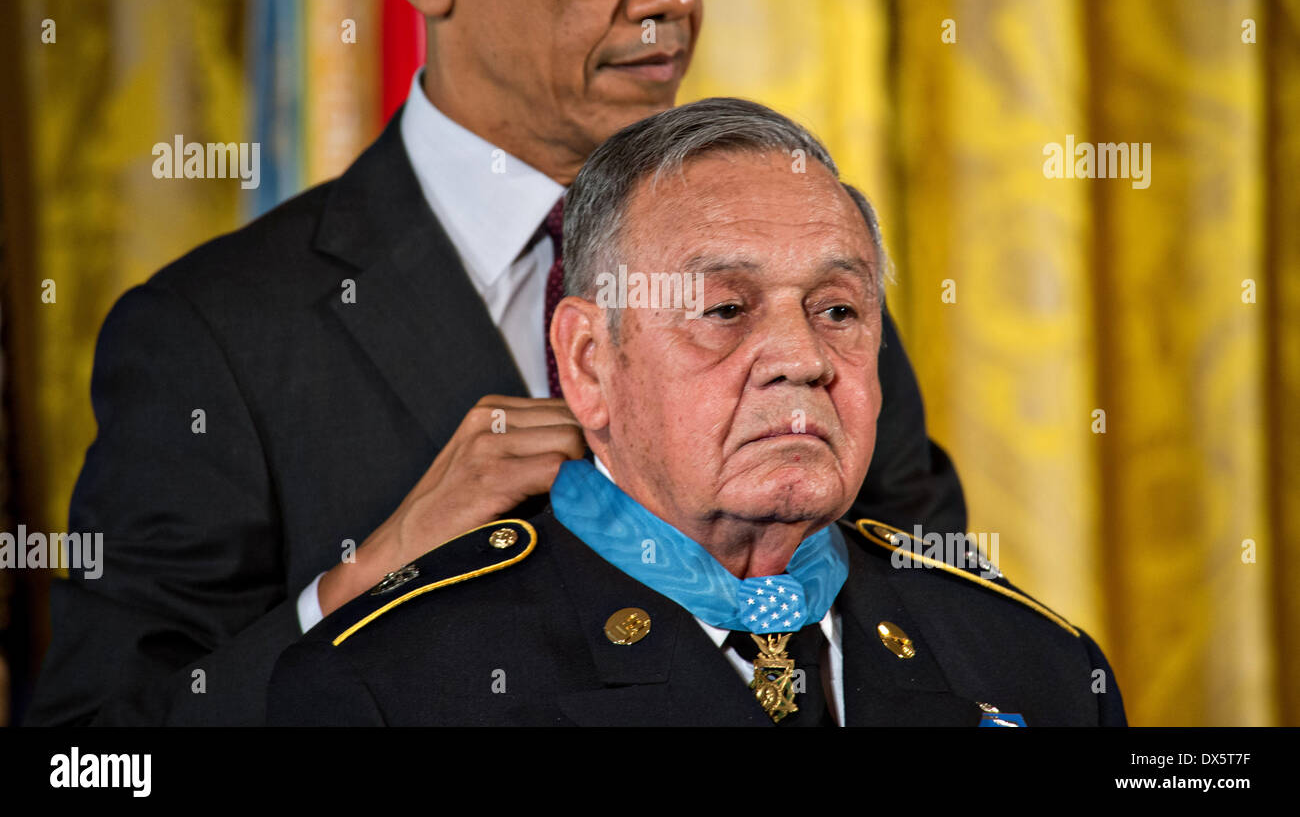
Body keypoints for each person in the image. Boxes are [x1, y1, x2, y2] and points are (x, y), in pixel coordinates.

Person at [27, 0, 964, 726]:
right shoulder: (214, 335)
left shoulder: (804, 278)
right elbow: (98, 753)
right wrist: (368, 576)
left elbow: (955, 650)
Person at [268, 98, 1125, 727]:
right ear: (588, 363)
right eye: (725, 309)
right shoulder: (388, 689)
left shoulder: (1040, 669)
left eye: (836, 310)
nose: (801, 358)